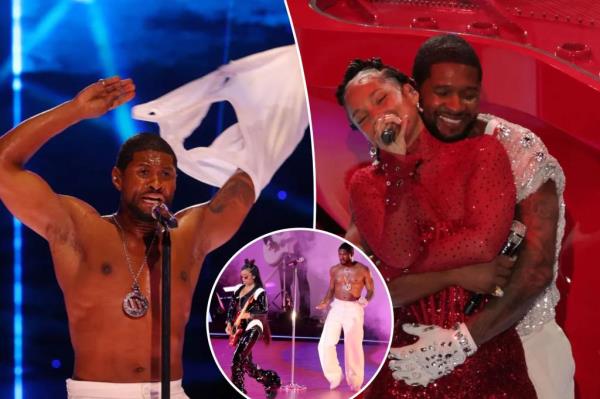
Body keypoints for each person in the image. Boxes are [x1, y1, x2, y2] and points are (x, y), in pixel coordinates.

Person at [0, 76, 283, 398]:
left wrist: (276, 110)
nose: (156, 184)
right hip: (97, 392)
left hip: (171, 391)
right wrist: (75, 110)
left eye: (166, 175)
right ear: (118, 178)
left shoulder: (190, 233)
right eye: (144, 172)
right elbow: (3, 164)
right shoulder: (79, 228)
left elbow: (249, 178)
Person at [387, 34, 574, 399]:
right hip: (418, 354)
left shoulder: (518, 150)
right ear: (415, 93)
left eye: (468, 93)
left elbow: (535, 271)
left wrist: (459, 344)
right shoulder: (396, 150)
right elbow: (385, 265)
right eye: (442, 92)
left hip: (524, 348)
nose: (456, 105)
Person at [338, 58, 538, 397]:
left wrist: (394, 275)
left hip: (483, 351)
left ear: (411, 92)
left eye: (380, 99)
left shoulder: (481, 153)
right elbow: (397, 257)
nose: (377, 118)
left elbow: (483, 245)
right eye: (362, 118)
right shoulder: (366, 184)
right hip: (407, 362)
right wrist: (458, 275)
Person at [315, 242, 374, 392]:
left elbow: (371, 290)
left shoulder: (362, 270)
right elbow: (331, 289)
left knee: (353, 345)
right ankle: (335, 376)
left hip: (354, 308)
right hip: (337, 306)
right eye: (339, 254)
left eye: (344, 254)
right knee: (324, 343)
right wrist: (325, 301)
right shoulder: (334, 270)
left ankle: (355, 382)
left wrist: (366, 300)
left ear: (351, 254)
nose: (341, 257)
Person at [225, 259, 281, 398]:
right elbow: (231, 307)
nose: (243, 279)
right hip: (240, 327)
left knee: (237, 359)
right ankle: (271, 380)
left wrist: (248, 314)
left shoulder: (259, 292)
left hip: (254, 325)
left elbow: (264, 311)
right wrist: (229, 323)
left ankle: (239, 392)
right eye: (242, 277)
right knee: (245, 364)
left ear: (254, 276)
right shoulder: (239, 289)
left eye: (246, 277)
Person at [262, 232, 311, 318]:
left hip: (299, 251)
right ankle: (287, 309)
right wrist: (269, 241)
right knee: (285, 283)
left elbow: (308, 235)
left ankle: (304, 313)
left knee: (302, 281)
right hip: (284, 254)